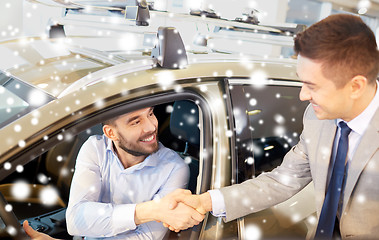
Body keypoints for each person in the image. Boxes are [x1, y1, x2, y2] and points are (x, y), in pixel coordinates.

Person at [167, 14, 379, 239]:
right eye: (301, 82)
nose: (302, 96)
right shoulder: (316, 119)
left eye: (312, 86)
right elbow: (283, 180)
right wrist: (205, 200)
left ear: (356, 86)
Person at [64, 106, 204, 239]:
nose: (151, 126)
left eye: (150, 114)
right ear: (111, 133)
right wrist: (152, 210)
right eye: (136, 122)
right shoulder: (94, 148)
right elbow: (76, 219)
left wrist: (96, 222)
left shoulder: (175, 168)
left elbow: (146, 236)